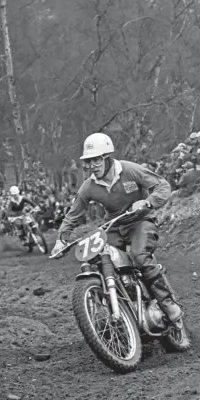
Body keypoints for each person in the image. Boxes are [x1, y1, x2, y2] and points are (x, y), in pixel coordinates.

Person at [51, 133, 189, 347]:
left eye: (96, 159)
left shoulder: (129, 170)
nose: (92, 165)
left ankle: (169, 305)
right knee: (99, 260)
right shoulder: (89, 186)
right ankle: (119, 311)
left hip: (140, 221)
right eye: (88, 161)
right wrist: (61, 238)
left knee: (140, 257)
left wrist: (148, 202)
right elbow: (73, 214)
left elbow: (162, 186)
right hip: (114, 226)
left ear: (107, 157)